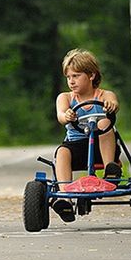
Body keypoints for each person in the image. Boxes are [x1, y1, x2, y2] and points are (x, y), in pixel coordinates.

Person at [52, 48, 121, 222]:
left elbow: (113, 103)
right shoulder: (66, 98)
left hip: (102, 147)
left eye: (76, 76)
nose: (71, 81)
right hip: (77, 147)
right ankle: (64, 198)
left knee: (104, 123)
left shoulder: (104, 95)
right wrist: (66, 115)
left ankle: (110, 170)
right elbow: (61, 115)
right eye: (68, 77)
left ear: (91, 75)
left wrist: (110, 106)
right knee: (61, 152)